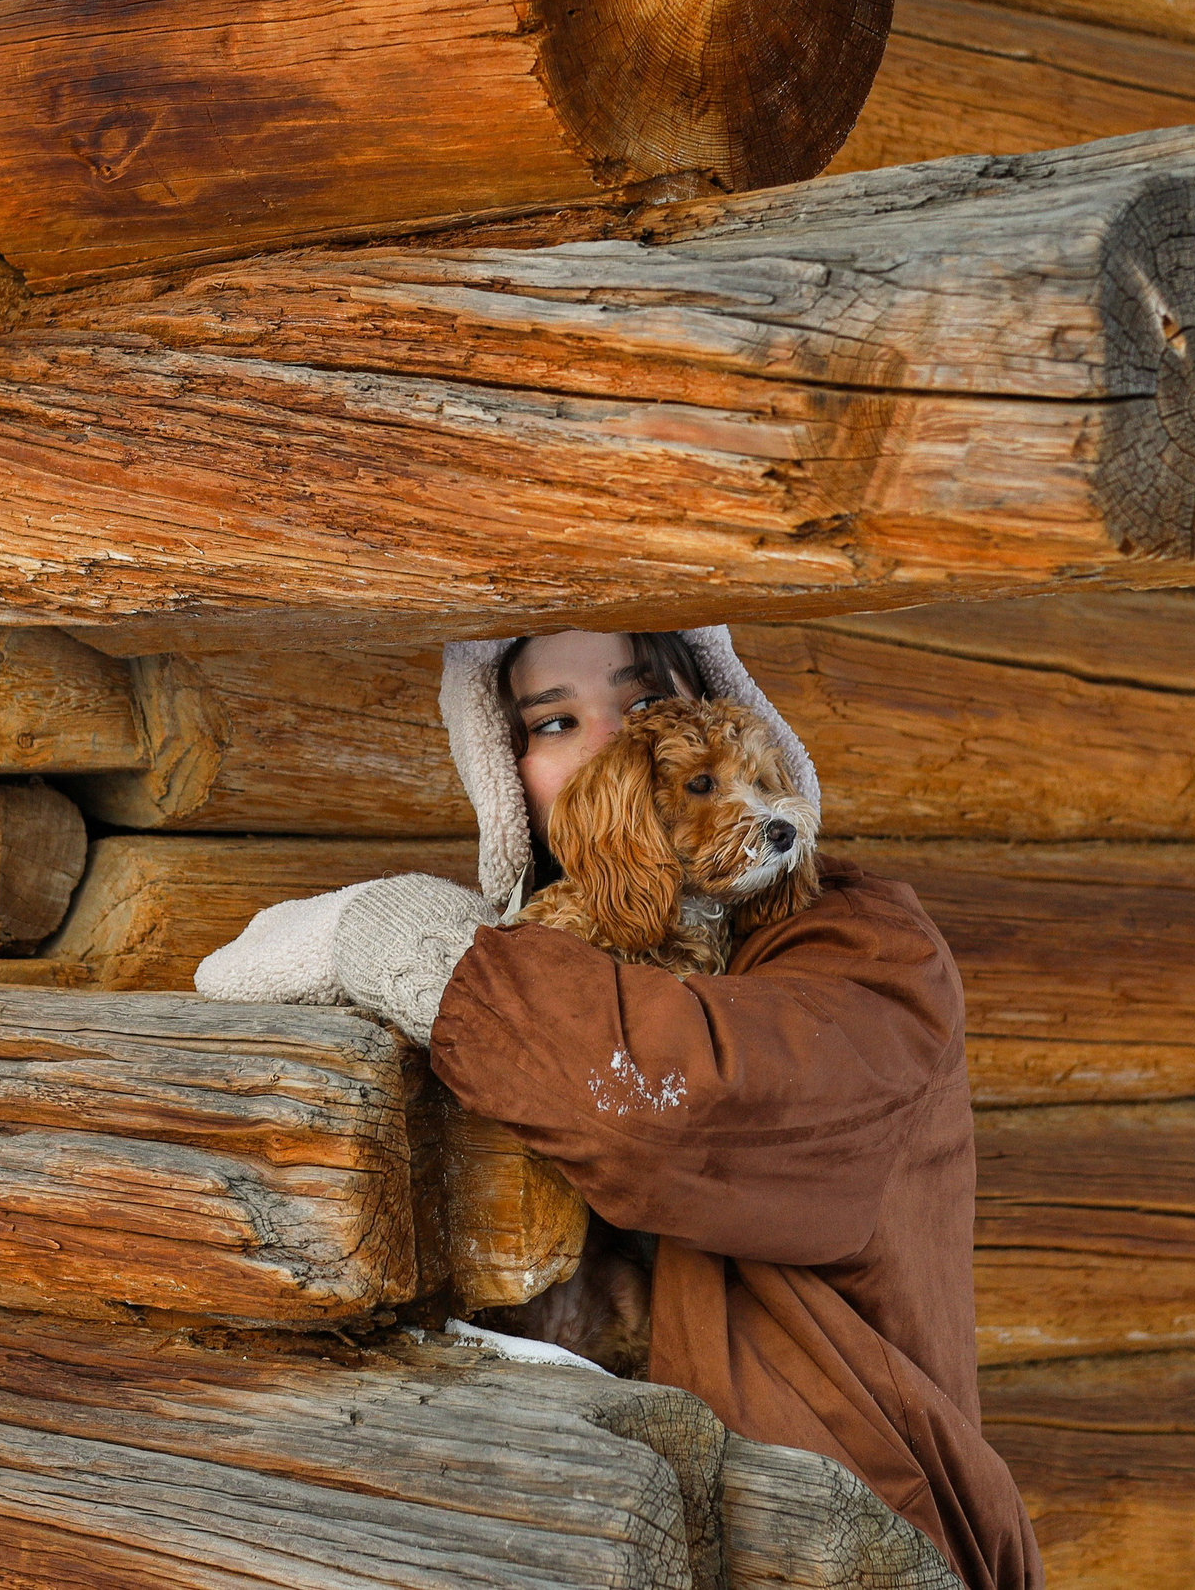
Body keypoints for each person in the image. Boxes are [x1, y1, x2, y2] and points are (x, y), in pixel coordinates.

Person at [196, 627, 1039, 1590]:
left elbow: (673, 1112)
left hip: (847, 1530)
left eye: (643, 709)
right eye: (555, 720)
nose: (606, 746)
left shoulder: (869, 950)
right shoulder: (545, 950)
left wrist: (427, 959)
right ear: (510, 777)